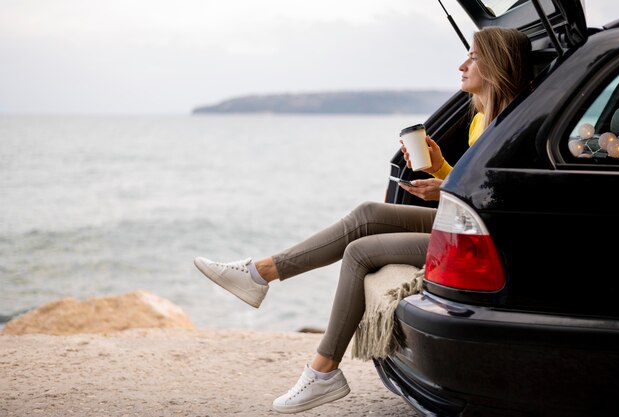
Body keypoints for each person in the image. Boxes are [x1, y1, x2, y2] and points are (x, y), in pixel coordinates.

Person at [194, 26, 533, 414]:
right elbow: (473, 185)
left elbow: (502, 203)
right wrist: (441, 169)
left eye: (472, 56)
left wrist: (443, 191)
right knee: (367, 214)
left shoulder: (514, 129)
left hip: (485, 238)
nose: (462, 64)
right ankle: (259, 273)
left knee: (359, 252)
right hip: (463, 222)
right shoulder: (479, 122)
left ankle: (323, 372)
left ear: (496, 64)